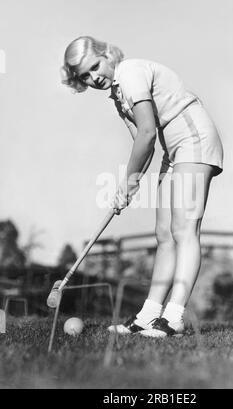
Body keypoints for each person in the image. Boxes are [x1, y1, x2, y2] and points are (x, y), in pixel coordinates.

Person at [61, 36, 224, 337]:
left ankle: (173, 317)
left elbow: (147, 133)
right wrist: (129, 188)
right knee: (164, 234)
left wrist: (129, 181)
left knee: (184, 230)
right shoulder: (117, 95)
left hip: (194, 141)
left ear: (107, 54)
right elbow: (144, 145)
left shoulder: (130, 73)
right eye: (85, 75)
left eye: (95, 66)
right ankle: (148, 315)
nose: (94, 77)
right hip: (172, 151)